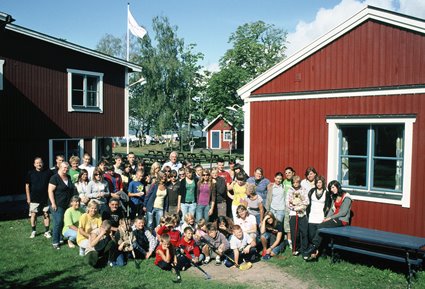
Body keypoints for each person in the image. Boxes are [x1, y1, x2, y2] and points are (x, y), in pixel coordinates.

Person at [305, 180, 352, 260]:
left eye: (333, 187)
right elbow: (331, 210)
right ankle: (319, 251)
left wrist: (330, 218)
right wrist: (326, 218)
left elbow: (343, 212)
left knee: (320, 226)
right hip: (334, 219)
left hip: (342, 220)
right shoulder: (334, 196)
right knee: (322, 226)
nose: (332, 189)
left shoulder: (346, 197)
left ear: (338, 186)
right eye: (330, 188)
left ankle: (314, 247)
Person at [48, 161, 76, 249]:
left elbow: (70, 190)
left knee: (63, 222)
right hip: (56, 204)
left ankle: (60, 238)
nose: (66, 169)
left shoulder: (68, 177)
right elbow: (50, 191)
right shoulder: (54, 178)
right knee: (58, 222)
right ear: (60, 167)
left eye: (67, 168)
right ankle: (55, 242)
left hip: (66, 204)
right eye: (64, 167)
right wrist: (53, 203)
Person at [25, 157, 53, 239]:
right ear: (34, 164)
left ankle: (47, 231)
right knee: (33, 214)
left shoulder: (48, 172)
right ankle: (33, 231)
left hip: (45, 197)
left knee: (46, 214)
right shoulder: (30, 173)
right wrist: (28, 198)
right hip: (34, 198)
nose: (39, 164)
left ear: (43, 163)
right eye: (37, 163)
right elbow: (27, 185)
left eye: (40, 162)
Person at [306, 175, 331, 255]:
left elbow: (328, 206)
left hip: (321, 217)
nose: (318, 184)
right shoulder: (311, 191)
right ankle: (314, 251)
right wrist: (308, 214)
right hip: (312, 216)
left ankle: (321, 252)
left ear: (323, 183)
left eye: (320, 182)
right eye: (317, 182)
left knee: (320, 235)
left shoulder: (326, 193)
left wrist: (325, 216)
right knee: (311, 235)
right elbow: (308, 203)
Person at [286, 175, 309, 257]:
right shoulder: (290, 190)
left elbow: (306, 201)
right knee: (295, 232)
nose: (295, 184)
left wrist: (299, 205)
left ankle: (305, 250)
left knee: (304, 232)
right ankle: (295, 249)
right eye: (294, 182)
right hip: (293, 213)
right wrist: (294, 207)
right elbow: (288, 203)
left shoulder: (303, 190)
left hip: (302, 213)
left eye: (297, 182)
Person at [283, 167, 295, 249]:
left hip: (294, 206)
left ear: (293, 173)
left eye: (289, 172)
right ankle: (289, 241)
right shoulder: (284, 182)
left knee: (293, 223)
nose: (287, 174)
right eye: (286, 173)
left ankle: (294, 241)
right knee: (287, 224)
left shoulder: (295, 181)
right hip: (286, 206)